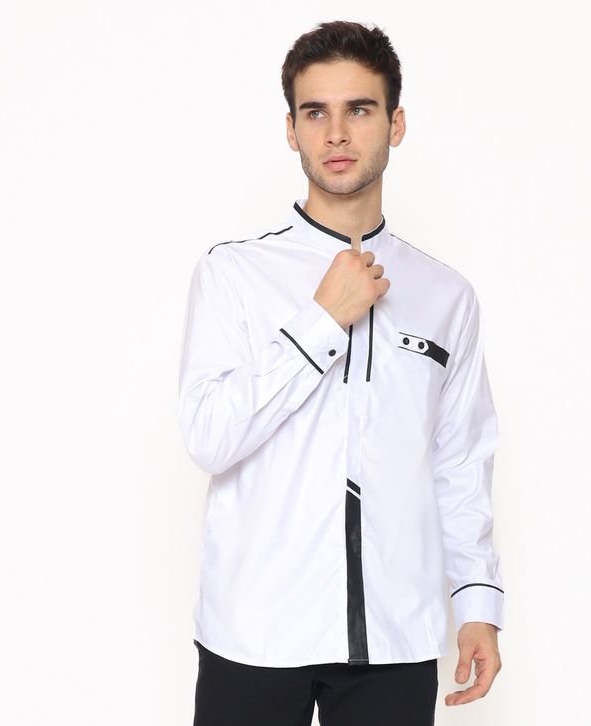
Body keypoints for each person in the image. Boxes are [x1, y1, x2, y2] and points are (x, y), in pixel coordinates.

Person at [177, 19, 504, 726]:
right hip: (254, 634)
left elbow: (459, 461)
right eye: (315, 112)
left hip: (395, 636)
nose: (336, 134)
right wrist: (324, 319)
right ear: (291, 130)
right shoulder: (233, 275)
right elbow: (208, 435)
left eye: (359, 109)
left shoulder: (447, 296)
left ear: (396, 123)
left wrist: (476, 602)